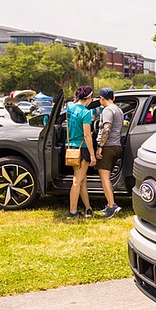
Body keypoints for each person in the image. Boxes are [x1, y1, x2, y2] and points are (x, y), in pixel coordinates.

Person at [66, 86, 97, 218]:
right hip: (82, 149)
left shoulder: (69, 108)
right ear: (89, 97)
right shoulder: (86, 113)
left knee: (82, 180)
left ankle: (88, 208)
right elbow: (87, 135)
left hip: (71, 148)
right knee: (77, 181)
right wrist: (92, 155)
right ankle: (73, 212)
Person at [94, 87, 124, 218]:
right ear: (113, 98)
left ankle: (112, 206)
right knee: (108, 178)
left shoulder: (107, 110)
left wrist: (100, 146)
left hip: (108, 147)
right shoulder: (119, 110)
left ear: (101, 99)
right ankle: (109, 203)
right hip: (116, 146)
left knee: (104, 179)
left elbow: (106, 128)